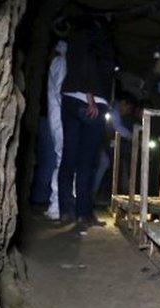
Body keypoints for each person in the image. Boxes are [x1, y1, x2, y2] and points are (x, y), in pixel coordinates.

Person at [57, 18, 115, 230]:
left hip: (70, 100)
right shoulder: (96, 41)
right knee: (87, 163)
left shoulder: (75, 40)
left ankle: (66, 212)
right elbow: (88, 65)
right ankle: (83, 214)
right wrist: (91, 97)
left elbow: (79, 64)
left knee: (69, 157)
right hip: (92, 103)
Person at [44, 39, 69, 220]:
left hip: (59, 117)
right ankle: (56, 206)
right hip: (61, 118)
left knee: (64, 160)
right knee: (63, 160)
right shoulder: (60, 63)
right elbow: (61, 91)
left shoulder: (58, 63)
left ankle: (60, 204)